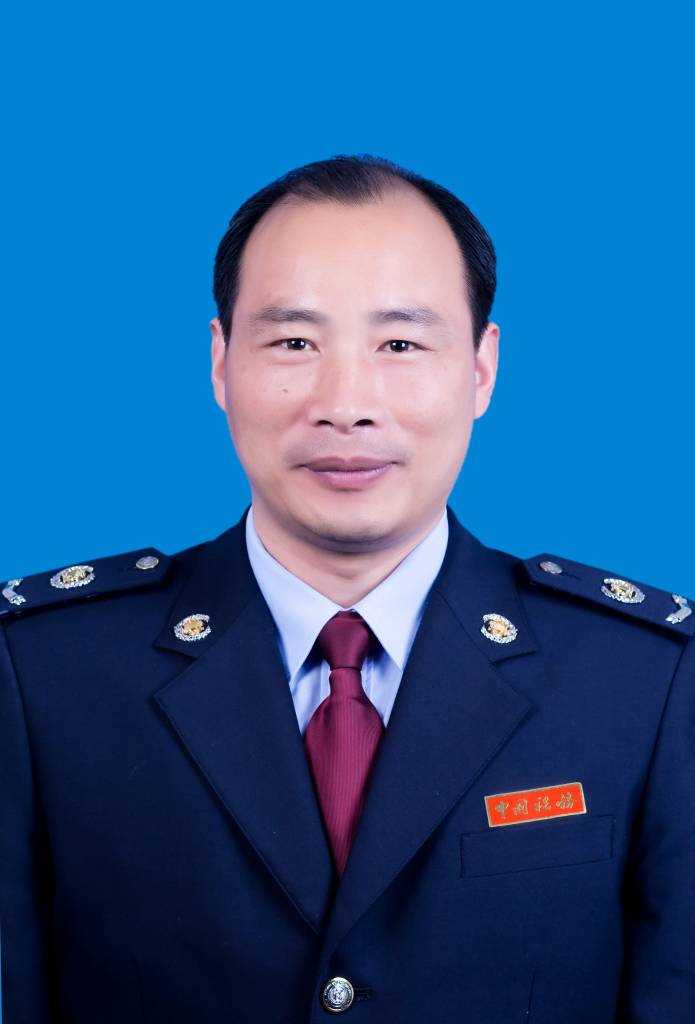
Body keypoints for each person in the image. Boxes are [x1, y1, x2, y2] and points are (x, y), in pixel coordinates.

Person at [1, 154, 693, 1024]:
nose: (346, 404)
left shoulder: (644, 681)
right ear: (220, 363)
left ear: (481, 368)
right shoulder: (44, 672)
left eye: (399, 344)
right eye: (294, 342)